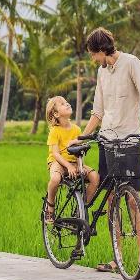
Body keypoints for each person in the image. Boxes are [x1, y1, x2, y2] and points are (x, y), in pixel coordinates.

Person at [81, 27, 140, 271]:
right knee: (112, 198)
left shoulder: (131, 63)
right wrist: (83, 136)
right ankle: (117, 258)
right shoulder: (102, 72)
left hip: (130, 142)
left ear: (102, 50)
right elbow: (98, 112)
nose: (93, 59)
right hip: (107, 142)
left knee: (134, 201)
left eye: (93, 54)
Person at [45, 96, 98, 224]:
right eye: (62, 104)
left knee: (95, 178)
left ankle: (81, 209)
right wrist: (68, 166)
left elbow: (79, 151)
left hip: (74, 162)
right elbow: (55, 154)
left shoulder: (76, 129)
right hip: (58, 162)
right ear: (56, 114)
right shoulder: (55, 131)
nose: (67, 104)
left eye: (67, 102)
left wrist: (80, 165)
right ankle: (50, 206)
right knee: (55, 179)